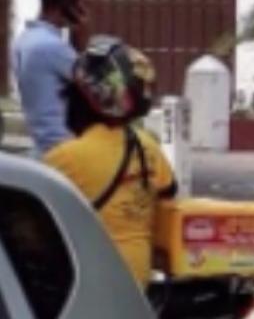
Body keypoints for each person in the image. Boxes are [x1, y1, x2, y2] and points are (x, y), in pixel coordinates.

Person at [44, 36, 176, 287]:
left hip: (87, 290)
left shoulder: (64, 159)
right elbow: (168, 193)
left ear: (86, 100)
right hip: (138, 287)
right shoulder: (147, 146)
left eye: (71, 95)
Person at [12, 0, 89, 154]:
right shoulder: (53, 47)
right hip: (64, 147)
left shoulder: (23, 40)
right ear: (66, 2)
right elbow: (93, 84)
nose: (83, 6)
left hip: (40, 145)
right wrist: (83, 33)